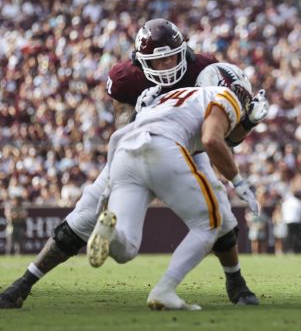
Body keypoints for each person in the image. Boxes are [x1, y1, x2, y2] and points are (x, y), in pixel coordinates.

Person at [0, 20, 261, 309]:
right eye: (156, 61)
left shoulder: (204, 69)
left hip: (184, 144)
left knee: (220, 211)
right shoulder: (127, 78)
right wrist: (140, 113)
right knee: (86, 213)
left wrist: (241, 125)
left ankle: (236, 283)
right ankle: (23, 284)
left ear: (184, 53)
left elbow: (214, 136)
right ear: (140, 61)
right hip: (142, 139)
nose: (164, 67)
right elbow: (123, 126)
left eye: (170, 57)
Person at [86, 65, 258, 310]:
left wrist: (108, 186)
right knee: (210, 224)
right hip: (162, 147)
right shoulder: (224, 95)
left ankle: (109, 232)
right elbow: (211, 139)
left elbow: (120, 135)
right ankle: (164, 289)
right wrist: (239, 181)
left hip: (124, 151)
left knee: (126, 248)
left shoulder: (171, 98)